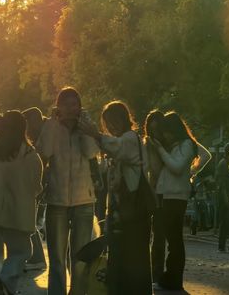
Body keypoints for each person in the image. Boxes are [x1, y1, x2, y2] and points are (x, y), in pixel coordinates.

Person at [79, 100, 152, 295]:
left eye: (114, 120)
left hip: (131, 212)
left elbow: (115, 147)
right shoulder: (127, 138)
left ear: (124, 119)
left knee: (130, 258)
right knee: (127, 258)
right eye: (107, 122)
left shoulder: (129, 138)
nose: (111, 126)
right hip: (126, 211)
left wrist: (94, 133)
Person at [35, 87, 98, 295]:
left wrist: (86, 127)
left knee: (80, 259)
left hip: (83, 201)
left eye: (74, 104)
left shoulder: (87, 127)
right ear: (58, 107)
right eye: (65, 104)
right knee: (57, 259)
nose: (70, 109)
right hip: (57, 201)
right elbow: (44, 151)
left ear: (80, 106)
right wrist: (53, 123)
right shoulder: (51, 126)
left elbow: (90, 152)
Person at [0, 109, 43, 295]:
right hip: (18, 214)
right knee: (20, 253)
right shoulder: (30, 155)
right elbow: (36, 187)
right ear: (23, 129)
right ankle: (6, 279)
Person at [148, 111, 211, 291]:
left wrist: (189, 172)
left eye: (167, 131)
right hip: (167, 194)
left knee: (175, 239)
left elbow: (176, 167)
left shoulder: (186, 144)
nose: (165, 135)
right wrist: (189, 173)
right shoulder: (180, 144)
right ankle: (170, 276)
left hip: (176, 195)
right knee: (172, 237)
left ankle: (173, 277)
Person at [22, 107, 48, 272]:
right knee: (29, 220)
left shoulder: (43, 137)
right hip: (41, 185)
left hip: (41, 185)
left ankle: (37, 257)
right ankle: (35, 257)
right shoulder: (41, 134)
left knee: (29, 220)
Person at [144, 109, 166, 284]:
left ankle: (155, 272)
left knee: (159, 235)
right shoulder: (147, 144)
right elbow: (146, 170)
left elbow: (204, 155)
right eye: (152, 129)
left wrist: (188, 174)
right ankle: (151, 271)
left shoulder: (167, 145)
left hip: (163, 193)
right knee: (149, 234)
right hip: (150, 193)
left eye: (157, 129)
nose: (154, 133)